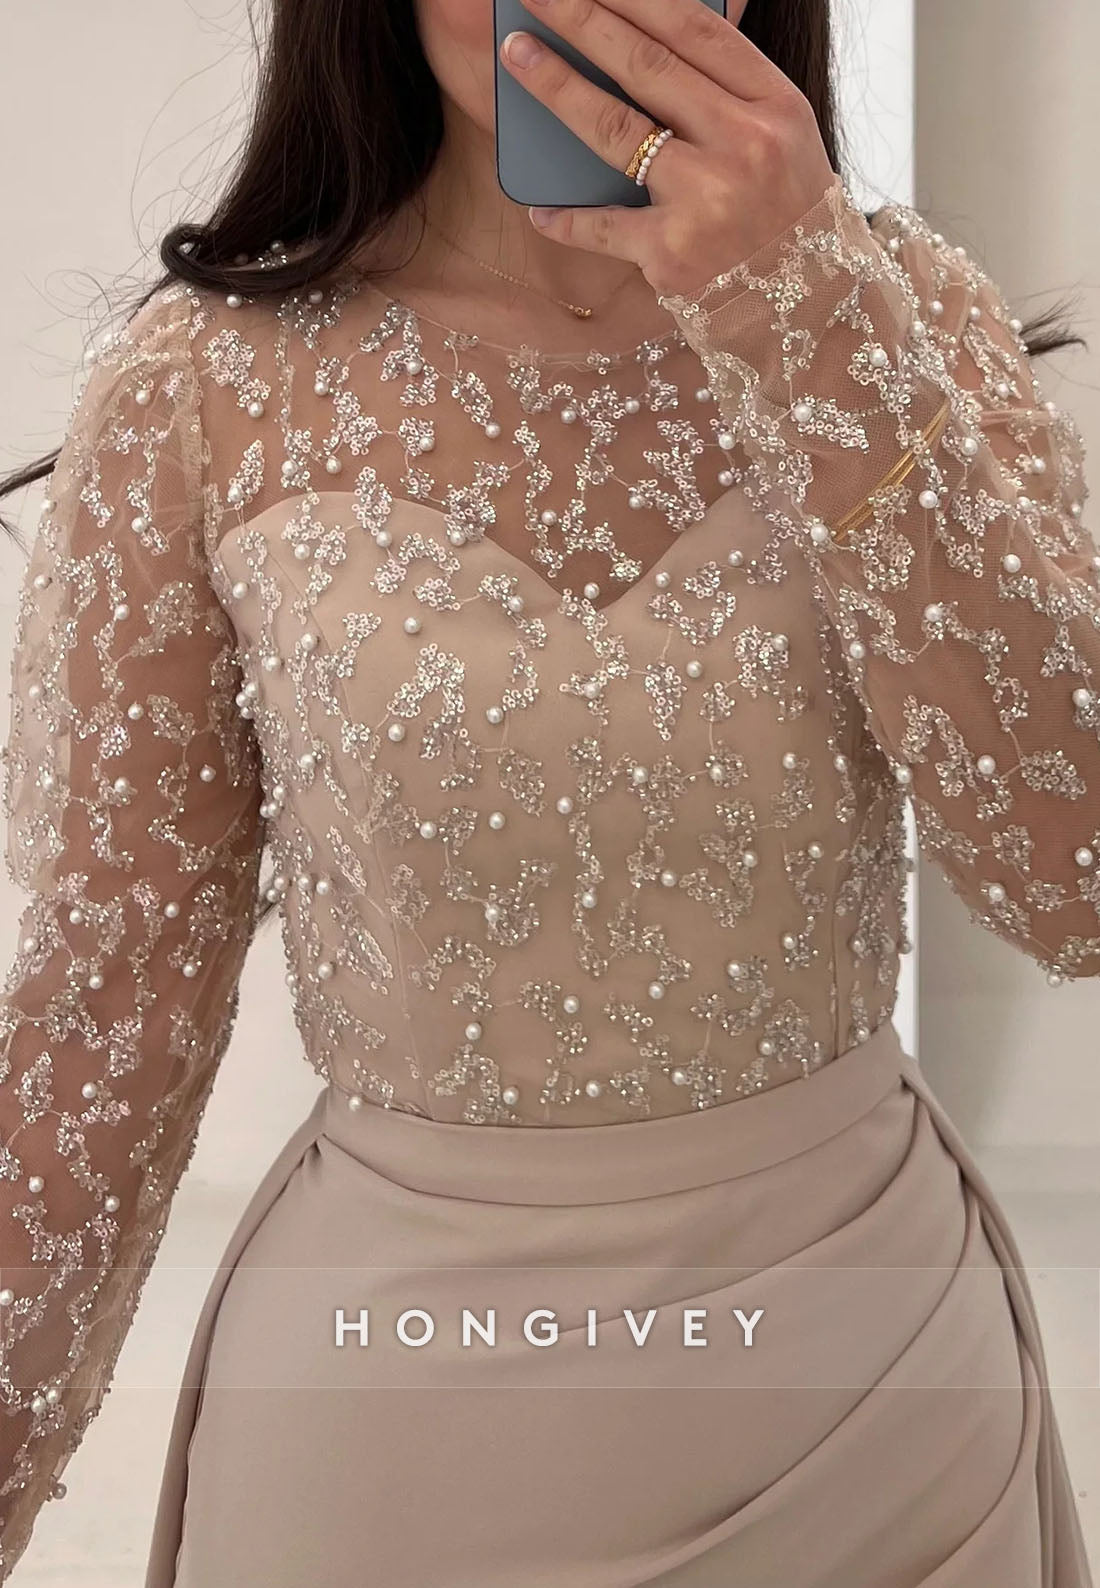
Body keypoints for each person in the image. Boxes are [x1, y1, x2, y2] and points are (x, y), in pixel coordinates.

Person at [0, 0, 1097, 1581]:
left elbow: (1078, 881)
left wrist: (809, 321)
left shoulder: (894, 314)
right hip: (388, 1444)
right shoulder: (203, 390)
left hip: (875, 1412)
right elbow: (102, 1027)